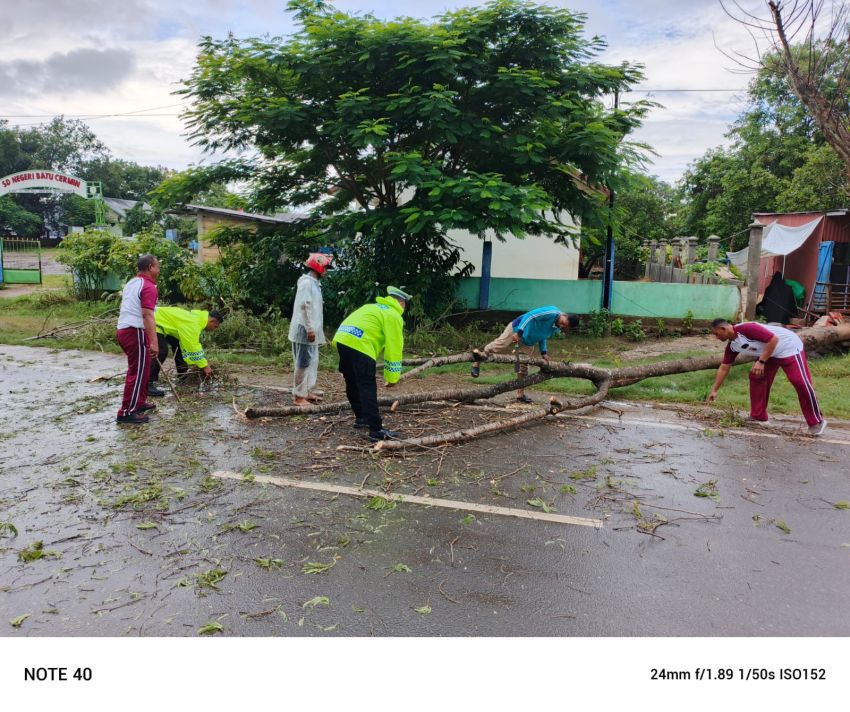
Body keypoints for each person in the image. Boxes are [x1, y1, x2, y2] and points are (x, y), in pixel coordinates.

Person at [707, 318, 826, 436]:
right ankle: (759, 417)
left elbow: (773, 339)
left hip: (788, 347)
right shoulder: (733, 346)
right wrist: (714, 390)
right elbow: (724, 367)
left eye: (716, 334)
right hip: (771, 352)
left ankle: (816, 422)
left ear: (723, 328)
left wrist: (761, 362)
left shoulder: (747, 328)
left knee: (799, 382)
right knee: (756, 377)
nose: (716, 337)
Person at [332, 286, 411, 442]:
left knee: (352, 381)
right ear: (402, 303)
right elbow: (394, 350)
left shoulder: (372, 307)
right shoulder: (393, 315)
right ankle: (375, 429)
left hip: (343, 339)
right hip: (361, 345)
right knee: (367, 386)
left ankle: (361, 417)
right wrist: (392, 377)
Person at [470, 307, 580, 402]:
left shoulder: (556, 328)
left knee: (523, 366)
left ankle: (520, 394)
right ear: (564, 315)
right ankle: (476, 363)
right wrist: (519, 332)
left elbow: (543, 336)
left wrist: (543, 352)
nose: (561, 326)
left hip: (528, 341)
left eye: (564, 327)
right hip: (516, 329)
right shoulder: (551, 312)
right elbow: (530, 316)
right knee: (498, 346)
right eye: (562, 323)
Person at [116, 254, 159, 424]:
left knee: (143, 370)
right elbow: (147, 314)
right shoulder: (148, 286)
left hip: (124, 330)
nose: (159, 269)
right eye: (157, 266)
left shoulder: (132, 282)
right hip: (135, 331)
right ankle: (126, 412)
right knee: (137, 372)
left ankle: (138, 403)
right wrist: (154, 342)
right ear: (150, 267)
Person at [289, 252, 333, 406]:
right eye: (325, 268)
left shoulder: (314, 283)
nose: (326, 271)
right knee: (303, 362)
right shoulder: (306, 283)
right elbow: (304, 306)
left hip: (310, 329)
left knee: (312, 361)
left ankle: (306, 391)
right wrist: (309, 329)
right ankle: (298, 396)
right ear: (318, 267)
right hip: (304, 329)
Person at [148, 307, 223, 394]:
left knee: (178, 346)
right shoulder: (194, 324)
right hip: (154, 322)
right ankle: (148, 384)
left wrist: (194, 362)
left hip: (163, 324)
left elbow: (186, 346)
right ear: (212, 321)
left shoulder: (197, 318)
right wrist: (205, 366)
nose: (214, 329)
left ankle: (182, 377)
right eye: (215, 327)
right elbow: (193, 346)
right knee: (162, 351)